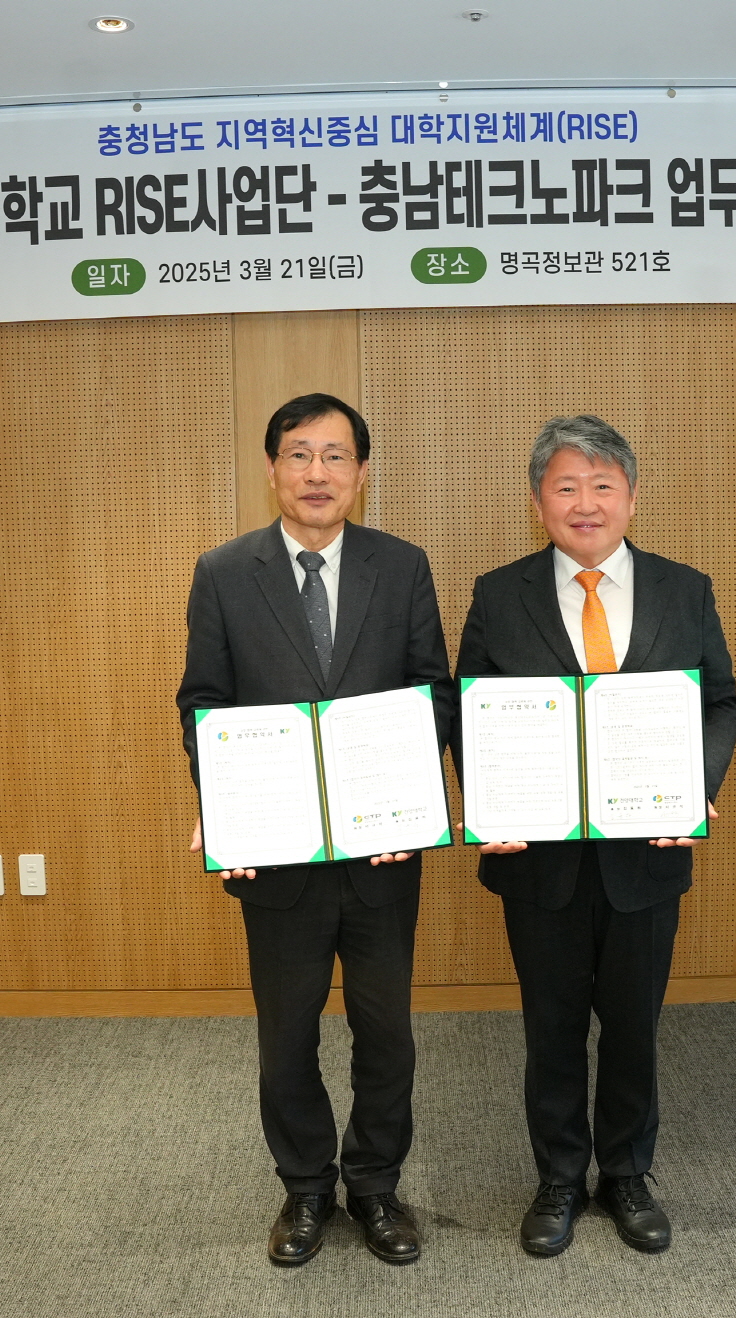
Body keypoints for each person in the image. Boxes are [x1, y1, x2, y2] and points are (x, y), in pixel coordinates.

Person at [177, 393, 454, 1267]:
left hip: (383, 851)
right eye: (299, 454)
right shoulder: (224, 572)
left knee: (387, 1033)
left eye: (336, 456)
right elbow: (203, 703)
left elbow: (434, 692)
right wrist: (223, 802)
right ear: (273, 469)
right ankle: (304, 1188)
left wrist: (412, 794)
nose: (317, 473)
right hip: (276, 856)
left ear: (361, 473)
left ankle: (374, 1186)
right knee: (287, 1034)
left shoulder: (401, 566)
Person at [455, 415, 736, 1257]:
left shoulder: (685, 590)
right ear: (538, 500)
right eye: (567, 486)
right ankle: (557, 1178)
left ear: (632, 497)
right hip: (537, 860)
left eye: (603, 485)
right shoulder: (497, 594)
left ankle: (625, 1173)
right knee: (549, 1027)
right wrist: (488, 802)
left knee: (632, 1026)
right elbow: (469, 710)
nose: (586, 503)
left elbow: (719, 703)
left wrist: (695, 787)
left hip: (645, 856)